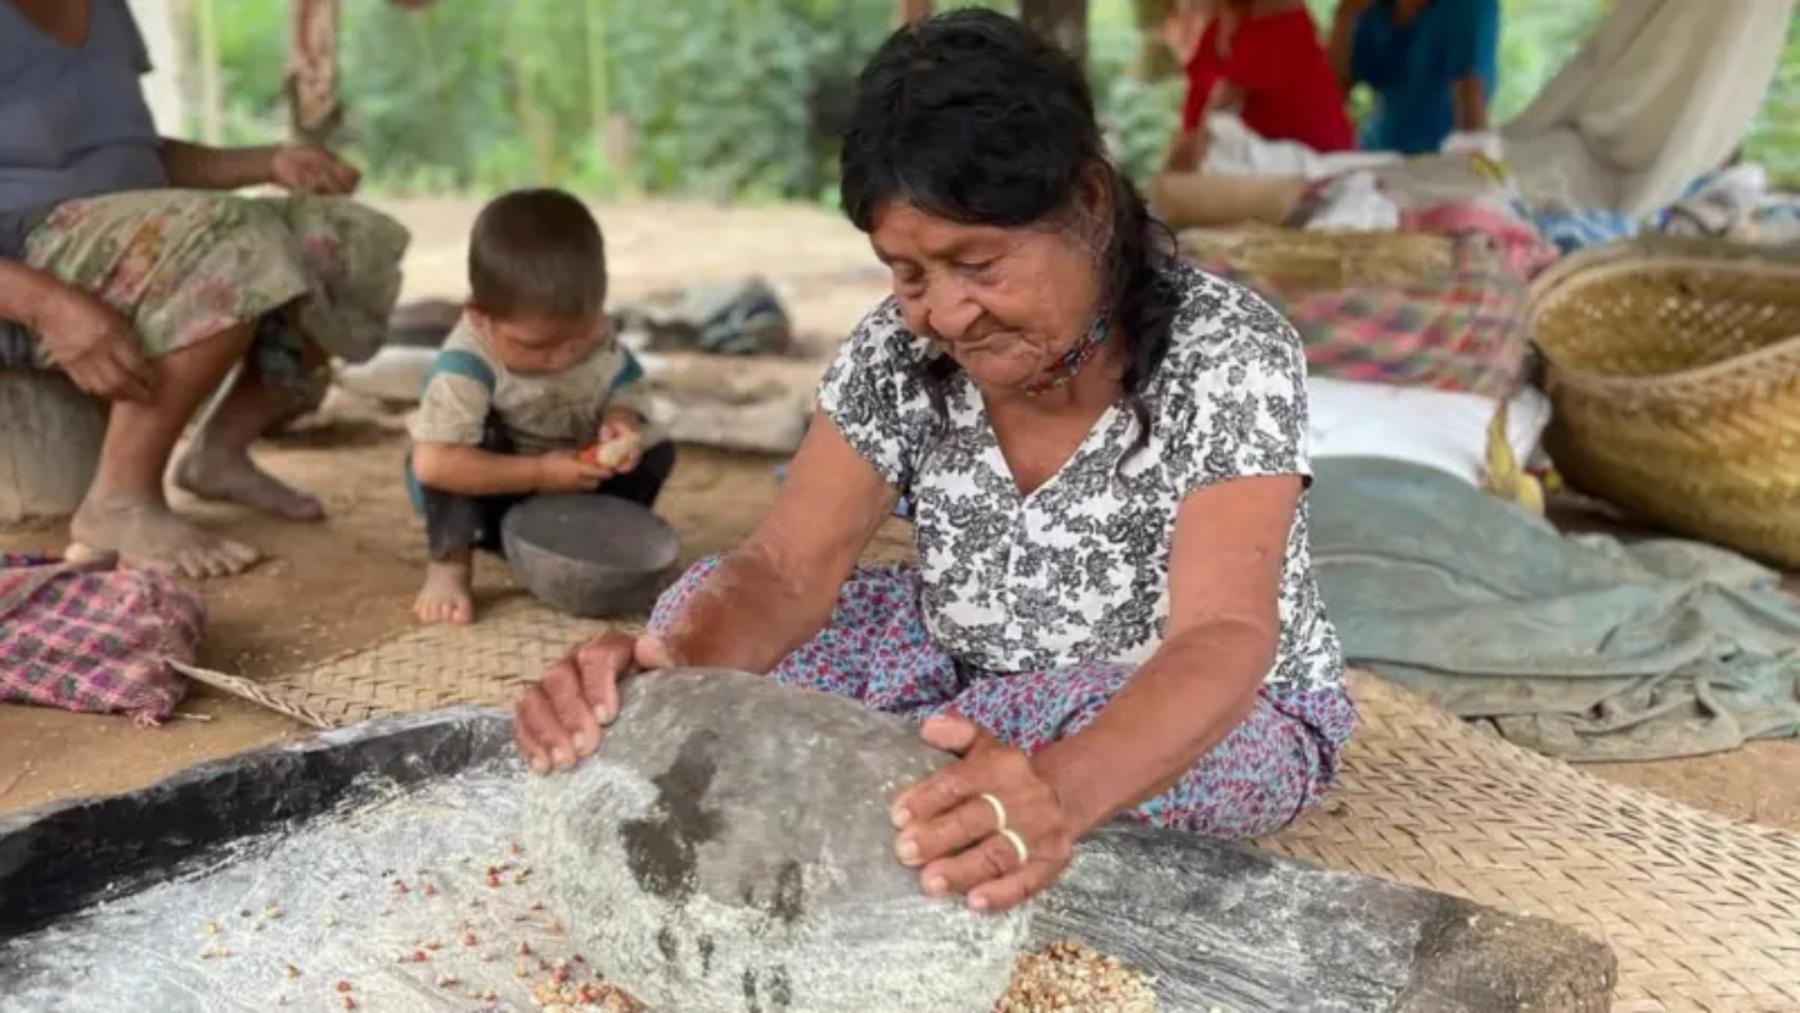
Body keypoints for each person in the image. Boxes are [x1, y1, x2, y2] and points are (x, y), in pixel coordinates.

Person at [514, 9, 1354, 914]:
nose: (946, 315)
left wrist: (1058, 795)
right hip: (959, 661)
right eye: (908, 274)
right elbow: (787, 569)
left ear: (1090, 203)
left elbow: (1223, 636)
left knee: (1082, 740)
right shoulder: (897, 352)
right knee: (699, 610)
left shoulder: (1225, 350)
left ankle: (962, 777)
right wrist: (656, 676)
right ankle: (946, 771)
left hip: (1189, 700)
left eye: (978, 265)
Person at [0, 0, 408, 577]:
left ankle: (220, 451)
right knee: (230, 240)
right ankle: (119, 500)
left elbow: (134, 154)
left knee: (348, 239)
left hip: (119, 232)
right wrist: (46, 307)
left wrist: (270, 162)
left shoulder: (106, 11)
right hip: (20, 259)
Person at [408, 189, 672, 626]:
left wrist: (619, 423)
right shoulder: (466, 366)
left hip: (575, 487)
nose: (561, 358)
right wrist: (540, 474)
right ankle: (449, 566)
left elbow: (625, 386)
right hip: (492, 496)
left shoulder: (596, 332)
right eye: (537, 346)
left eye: (578, 340)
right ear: (479, 316)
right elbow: (433, 464)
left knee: (657, 448)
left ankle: (600, 541)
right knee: (455, 451)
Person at [1163, 0, 1355, 173]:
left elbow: (1216, 115)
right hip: (1260, 178)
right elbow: (1192, 124)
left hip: (1320, 174)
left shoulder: (1282, 24)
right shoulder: (1213, 34)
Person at [1327, 0, 1500, 155]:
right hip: (1379, 156)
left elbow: (1470, 113)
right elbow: (1331, 99)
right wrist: (1345, 16)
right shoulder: (1375, 10)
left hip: (1437, 162)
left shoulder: (1466, 6)